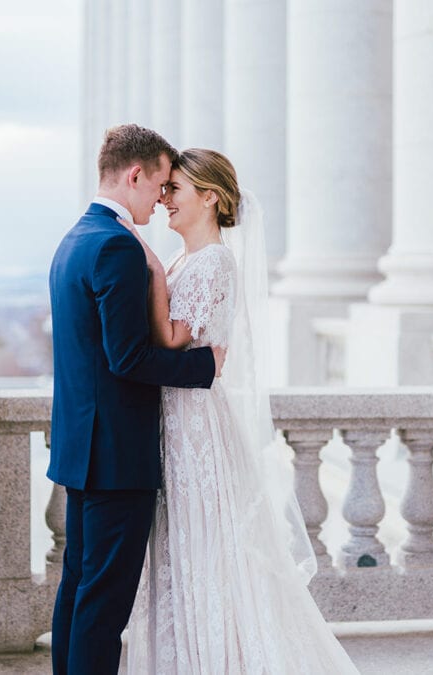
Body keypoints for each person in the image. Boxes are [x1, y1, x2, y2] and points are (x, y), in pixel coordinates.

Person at [124, 148, 360, 674]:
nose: (164, 200)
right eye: (164, 190)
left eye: (175, 190)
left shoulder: (212, 262)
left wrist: (149, 269)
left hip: (196, 426)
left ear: (209, 197)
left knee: (205, 547)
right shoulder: (187, 259)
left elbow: (171, 337)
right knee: (179, 548)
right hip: (176, 417)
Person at [47, 125, 227, 674]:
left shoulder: (76, 239)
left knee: (79, 589)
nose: (162, 198)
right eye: (160, 185)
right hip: (117, 458)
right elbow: (127, 358)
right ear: (134, 175)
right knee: (103, 606)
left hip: (83, 449)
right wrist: (205, 365)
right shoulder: (118, 248)